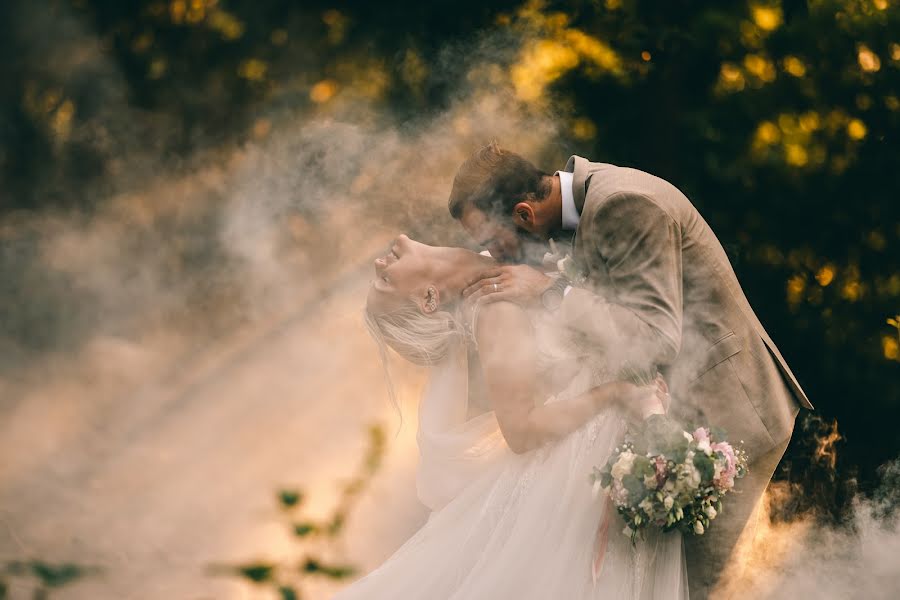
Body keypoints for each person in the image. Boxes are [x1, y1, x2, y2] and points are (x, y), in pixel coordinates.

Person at [447, 142, 815, 598]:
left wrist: (552, 291)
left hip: (727, 412)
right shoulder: (577, 207)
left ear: (523, 214)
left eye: (489, 243)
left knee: (694, 587)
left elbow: (655, 336)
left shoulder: (624, 203)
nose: (494, 257)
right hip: (672, 413)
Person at [334, 233, 688, 599]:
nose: (378, 263)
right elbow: (521, 430)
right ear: (428, 298)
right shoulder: (494, 309)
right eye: (386, 280)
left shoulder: (500, 257)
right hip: (587, 464)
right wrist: (614, 392)